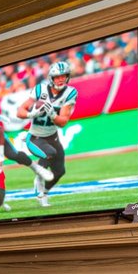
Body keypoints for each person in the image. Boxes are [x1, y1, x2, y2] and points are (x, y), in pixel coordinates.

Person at [18, 59, 82, 207]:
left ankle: (43, 194)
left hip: (53, 137)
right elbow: (19, 111)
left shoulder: (70, 93)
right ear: (51, 78)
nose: (61, 79)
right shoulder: (40, 90)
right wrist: (31, 115)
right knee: (50, 152)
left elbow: (62, 122)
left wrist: (52, 114)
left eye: (64, 76)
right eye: (57, 77)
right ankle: (39, 178)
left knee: (60, 171)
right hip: (35, 137)